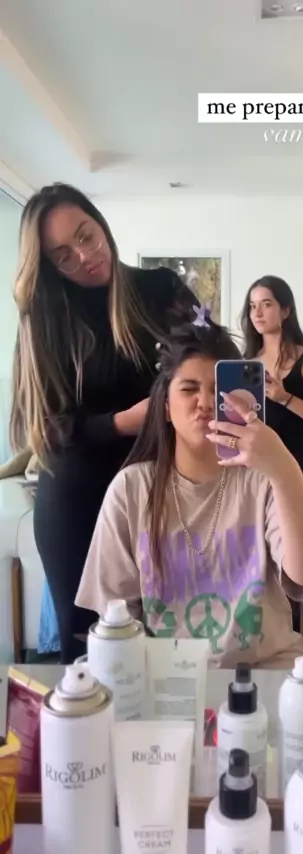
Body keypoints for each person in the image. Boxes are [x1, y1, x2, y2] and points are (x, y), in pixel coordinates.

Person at [75, 312, 303, 669]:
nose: (205, 402)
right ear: (166, 406)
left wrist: (284, 467)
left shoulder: (262, 481)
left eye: (217, 389)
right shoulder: (131, 490)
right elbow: (116, 616)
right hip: (167, 676)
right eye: (189, 389)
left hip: (265, 671)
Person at [10, 182, 198, 664]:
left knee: (173, 650)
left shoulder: (161, 289)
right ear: (49, 266)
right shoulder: (47, 317)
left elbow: (211, 358)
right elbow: (47, 428)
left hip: (162, 490)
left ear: (99, 222)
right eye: (63, 256)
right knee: (89, 659)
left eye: (86, 235)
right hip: (78, 500)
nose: (85, 256)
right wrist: (120, 423)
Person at [241, 275, 303, 498]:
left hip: (295, 464)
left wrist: (285, 398)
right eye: (252, 306)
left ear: (285, 311)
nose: (257, 313)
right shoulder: (244, 364)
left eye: (266, 304)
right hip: (254, 466)